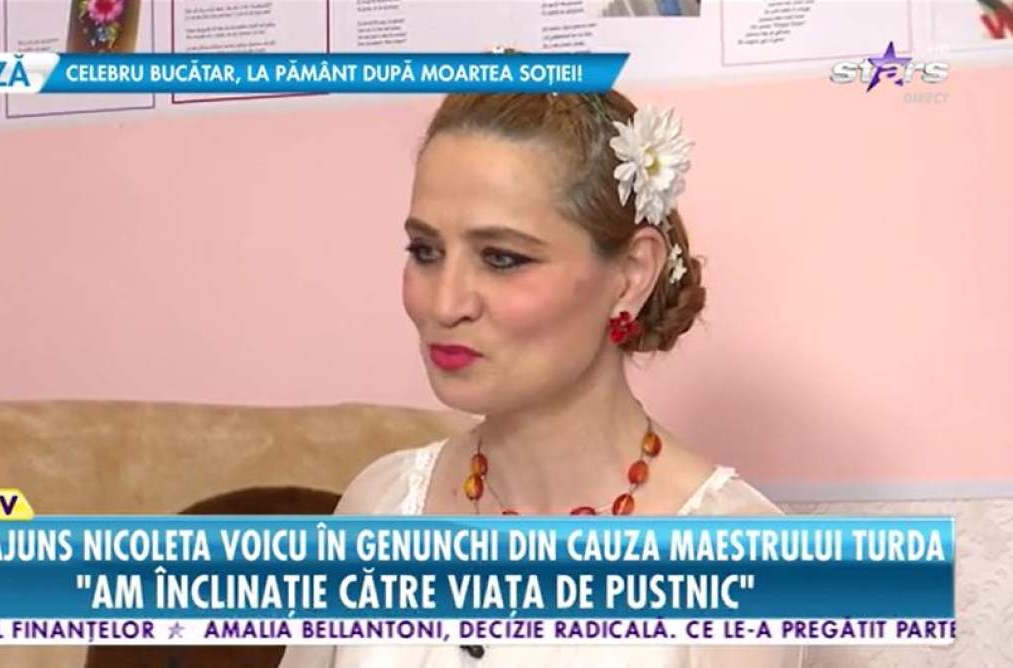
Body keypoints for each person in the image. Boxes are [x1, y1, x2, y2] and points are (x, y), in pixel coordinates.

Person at [280, 89, 804, 667]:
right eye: (425, 251)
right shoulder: (379, 506)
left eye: (502, 258)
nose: (444, 304)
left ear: (632, 274)